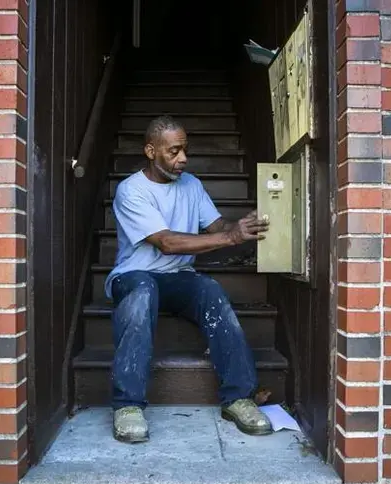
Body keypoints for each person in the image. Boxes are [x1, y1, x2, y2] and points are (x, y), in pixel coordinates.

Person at [104, 115, 273, 443]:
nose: (183, 159)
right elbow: (167, 243)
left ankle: (239, 397)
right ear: (151, 151)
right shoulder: (130, 190)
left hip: (177, 277)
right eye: (174, 151)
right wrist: (230, 239)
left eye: (185, 150)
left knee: (210, 289)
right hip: (134, 276)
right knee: (142, 292)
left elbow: (217, 226)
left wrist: (242, 227)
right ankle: (127, 405)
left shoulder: (191, 185)